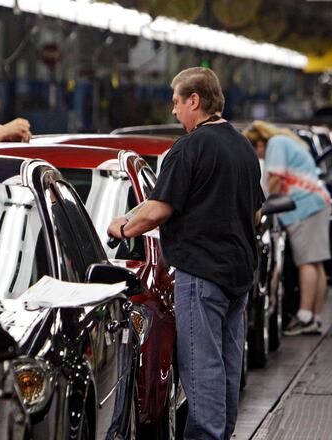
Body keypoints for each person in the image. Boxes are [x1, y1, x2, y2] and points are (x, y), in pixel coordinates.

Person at [107, 67, 264, 440]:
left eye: (177, 102)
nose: (174, 111)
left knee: (201, 367)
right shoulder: (242, 147)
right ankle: (220, 434)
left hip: (201, 275)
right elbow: (256, 212)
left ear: (195, 100)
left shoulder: (190, 147)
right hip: (238, 275)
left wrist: (123, 227)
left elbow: (159, 208)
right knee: (227, 365)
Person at [243, 121, 332, 336]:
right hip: (315, 203)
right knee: (315, 262)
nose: (259, 156)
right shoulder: (284, 141)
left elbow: (275, 179)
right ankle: (314, 316)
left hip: (305, 206)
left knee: (307, 262)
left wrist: (260, 204)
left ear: (260, 143)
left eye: (256, 150)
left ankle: (304, 316)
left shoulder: (276, 144)